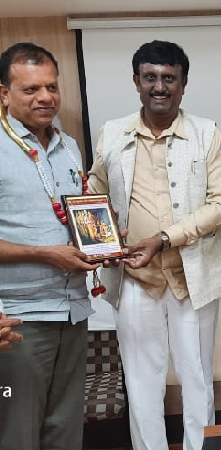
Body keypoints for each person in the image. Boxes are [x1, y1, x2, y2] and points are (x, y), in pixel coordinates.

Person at [86, 40, 221, 450]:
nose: (159, 86)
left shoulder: (206, 133)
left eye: (169, 78)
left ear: (183, 84)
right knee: (141, 384)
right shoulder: (112, 134)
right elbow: (94, 190)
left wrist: (164, 239)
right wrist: (98, 237)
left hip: (193, 278)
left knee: (197, 379)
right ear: (136, 81)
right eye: (150, 77)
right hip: (134, 278)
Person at [0, 42, 100, 450]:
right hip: (19, 321)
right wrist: (44, 254)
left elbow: (72, 215)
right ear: (4, 93)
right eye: (31, 89)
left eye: (52, 87)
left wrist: (100, 238)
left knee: (65, 430)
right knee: (18, 433)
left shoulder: (68, 146)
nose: (45, 97)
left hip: (72, 311)